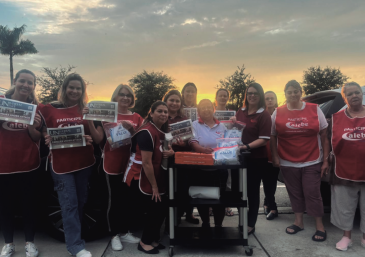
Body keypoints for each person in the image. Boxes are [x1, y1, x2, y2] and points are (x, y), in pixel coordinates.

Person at [39, 73, 95, 257]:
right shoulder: (49, 109)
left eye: (78, 88)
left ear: (82, 91)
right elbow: (28, 111)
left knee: (79, 204)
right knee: (69, 205)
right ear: (64, 88)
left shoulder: (86, 110)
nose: (75, 91)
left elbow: (93, 136)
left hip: (83, 163)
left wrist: (88, 138)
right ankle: (75, 247)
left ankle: (76, 239)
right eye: (71, 87)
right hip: (61, 166)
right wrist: (45, 135)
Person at [84, 84, 143, 251]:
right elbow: (97, 139)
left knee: (127, 200)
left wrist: (132, 130)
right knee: (113, 200)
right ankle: (114, 234)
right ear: (115, 97)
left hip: (131, 163)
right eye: (122, 94)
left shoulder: (137, 117)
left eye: (128, 95)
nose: (125, 98)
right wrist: (89, 119)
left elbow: (141, 141)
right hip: (112, 163)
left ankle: (124, 231)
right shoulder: (108, 115)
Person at [270, 80, 329, 242]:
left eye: (296, 91)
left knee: (313, 193)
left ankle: (319, 226)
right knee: (295, 193)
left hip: (312, 160)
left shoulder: (315, 109)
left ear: (300, 92)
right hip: (287, 161)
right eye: (289, 92)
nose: (293, 94)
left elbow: (324, 136)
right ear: (285, 94)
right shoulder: (277, 112)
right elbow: (273, 135)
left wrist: (325, 160)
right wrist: (275, 156)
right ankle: (298, 222)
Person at [0, 69, 42, 257]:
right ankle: (8, 244)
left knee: (28, 205)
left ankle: (30, 243)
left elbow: (36, 137)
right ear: (15, 81)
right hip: (4, 165)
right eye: (22, 81)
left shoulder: (35, 107)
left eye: (30, 82)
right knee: (5, 206)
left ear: (33, 86)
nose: (26, 85)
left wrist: (33, 126)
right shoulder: (2, 103)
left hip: (29, 164)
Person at [124, 101, 174, 254]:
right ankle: (144, 242)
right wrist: (154, 186)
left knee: (160, 208)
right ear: (151, 113)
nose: (163, 114)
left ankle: (152, 239)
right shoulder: (146, 132)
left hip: (154, 176)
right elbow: (146, 162)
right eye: (159, 111)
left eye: (165, 112)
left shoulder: (160, 131)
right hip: (141, 177)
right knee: (155, 209)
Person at [328, 82, 365, 251]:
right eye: (349, 94)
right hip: (343, 169)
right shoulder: (336, 118)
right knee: (344, 205)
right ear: (344, 97)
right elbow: (329, 144)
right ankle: (346, 237)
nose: (354, 96)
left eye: (357, 92)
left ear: (362, 94)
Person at [233, 83, 272, 235]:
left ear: (260, 95)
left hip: (256, 159)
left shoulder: (264, 114)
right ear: (246, 95)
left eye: (255, 93)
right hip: (239, 159)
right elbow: (234, 131)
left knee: (252, 192)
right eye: (249, 93)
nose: (252, 96)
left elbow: (264, 139)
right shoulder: (240, 111)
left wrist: (246, 147)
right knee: (238, 191)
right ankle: (242, 219)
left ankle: (250, 223)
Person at [189, 99, 228, 228]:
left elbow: (226, 144)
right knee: (202, 198)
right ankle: (205, 223)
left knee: (220, 199)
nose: (206, 110)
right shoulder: (194, 124)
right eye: (203, 108)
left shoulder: (222, 126)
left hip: (219, 168)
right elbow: (193, 143)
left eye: (208, 107)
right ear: (199, 111)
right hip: (200, 168)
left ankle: (218, 225)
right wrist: (203, 150)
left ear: (213, 109)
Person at [180, 83, 200, 223]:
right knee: (180, 183)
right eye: (187, 91)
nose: (190, 94)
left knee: (193, 181)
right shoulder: (177, 108)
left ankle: (189, 213)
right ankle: (177, 213)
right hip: (180, 148)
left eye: (193, 91)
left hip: (196, 149)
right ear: (183, 93)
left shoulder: (199, 110)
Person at [214, 88, 234, 217]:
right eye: (220, 96)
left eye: (225, 96)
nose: (222, 98)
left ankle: (227, 205)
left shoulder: (232, 114)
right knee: (213, 178)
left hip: (227, 150)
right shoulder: (210, 113)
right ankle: (211, 206)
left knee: (228, 179)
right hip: (212, 150)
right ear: (216, 97)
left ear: (228, 98)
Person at [263, 91, 280, 220]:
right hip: (262, 152)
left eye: (271, 98)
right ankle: (272, 207)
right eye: (267, 98)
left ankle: (267, 203)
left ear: (275, 100)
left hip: (276, 153)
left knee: (272, 182)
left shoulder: (280, 114)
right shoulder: (261, 115)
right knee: (267, 182)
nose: (269, 100)